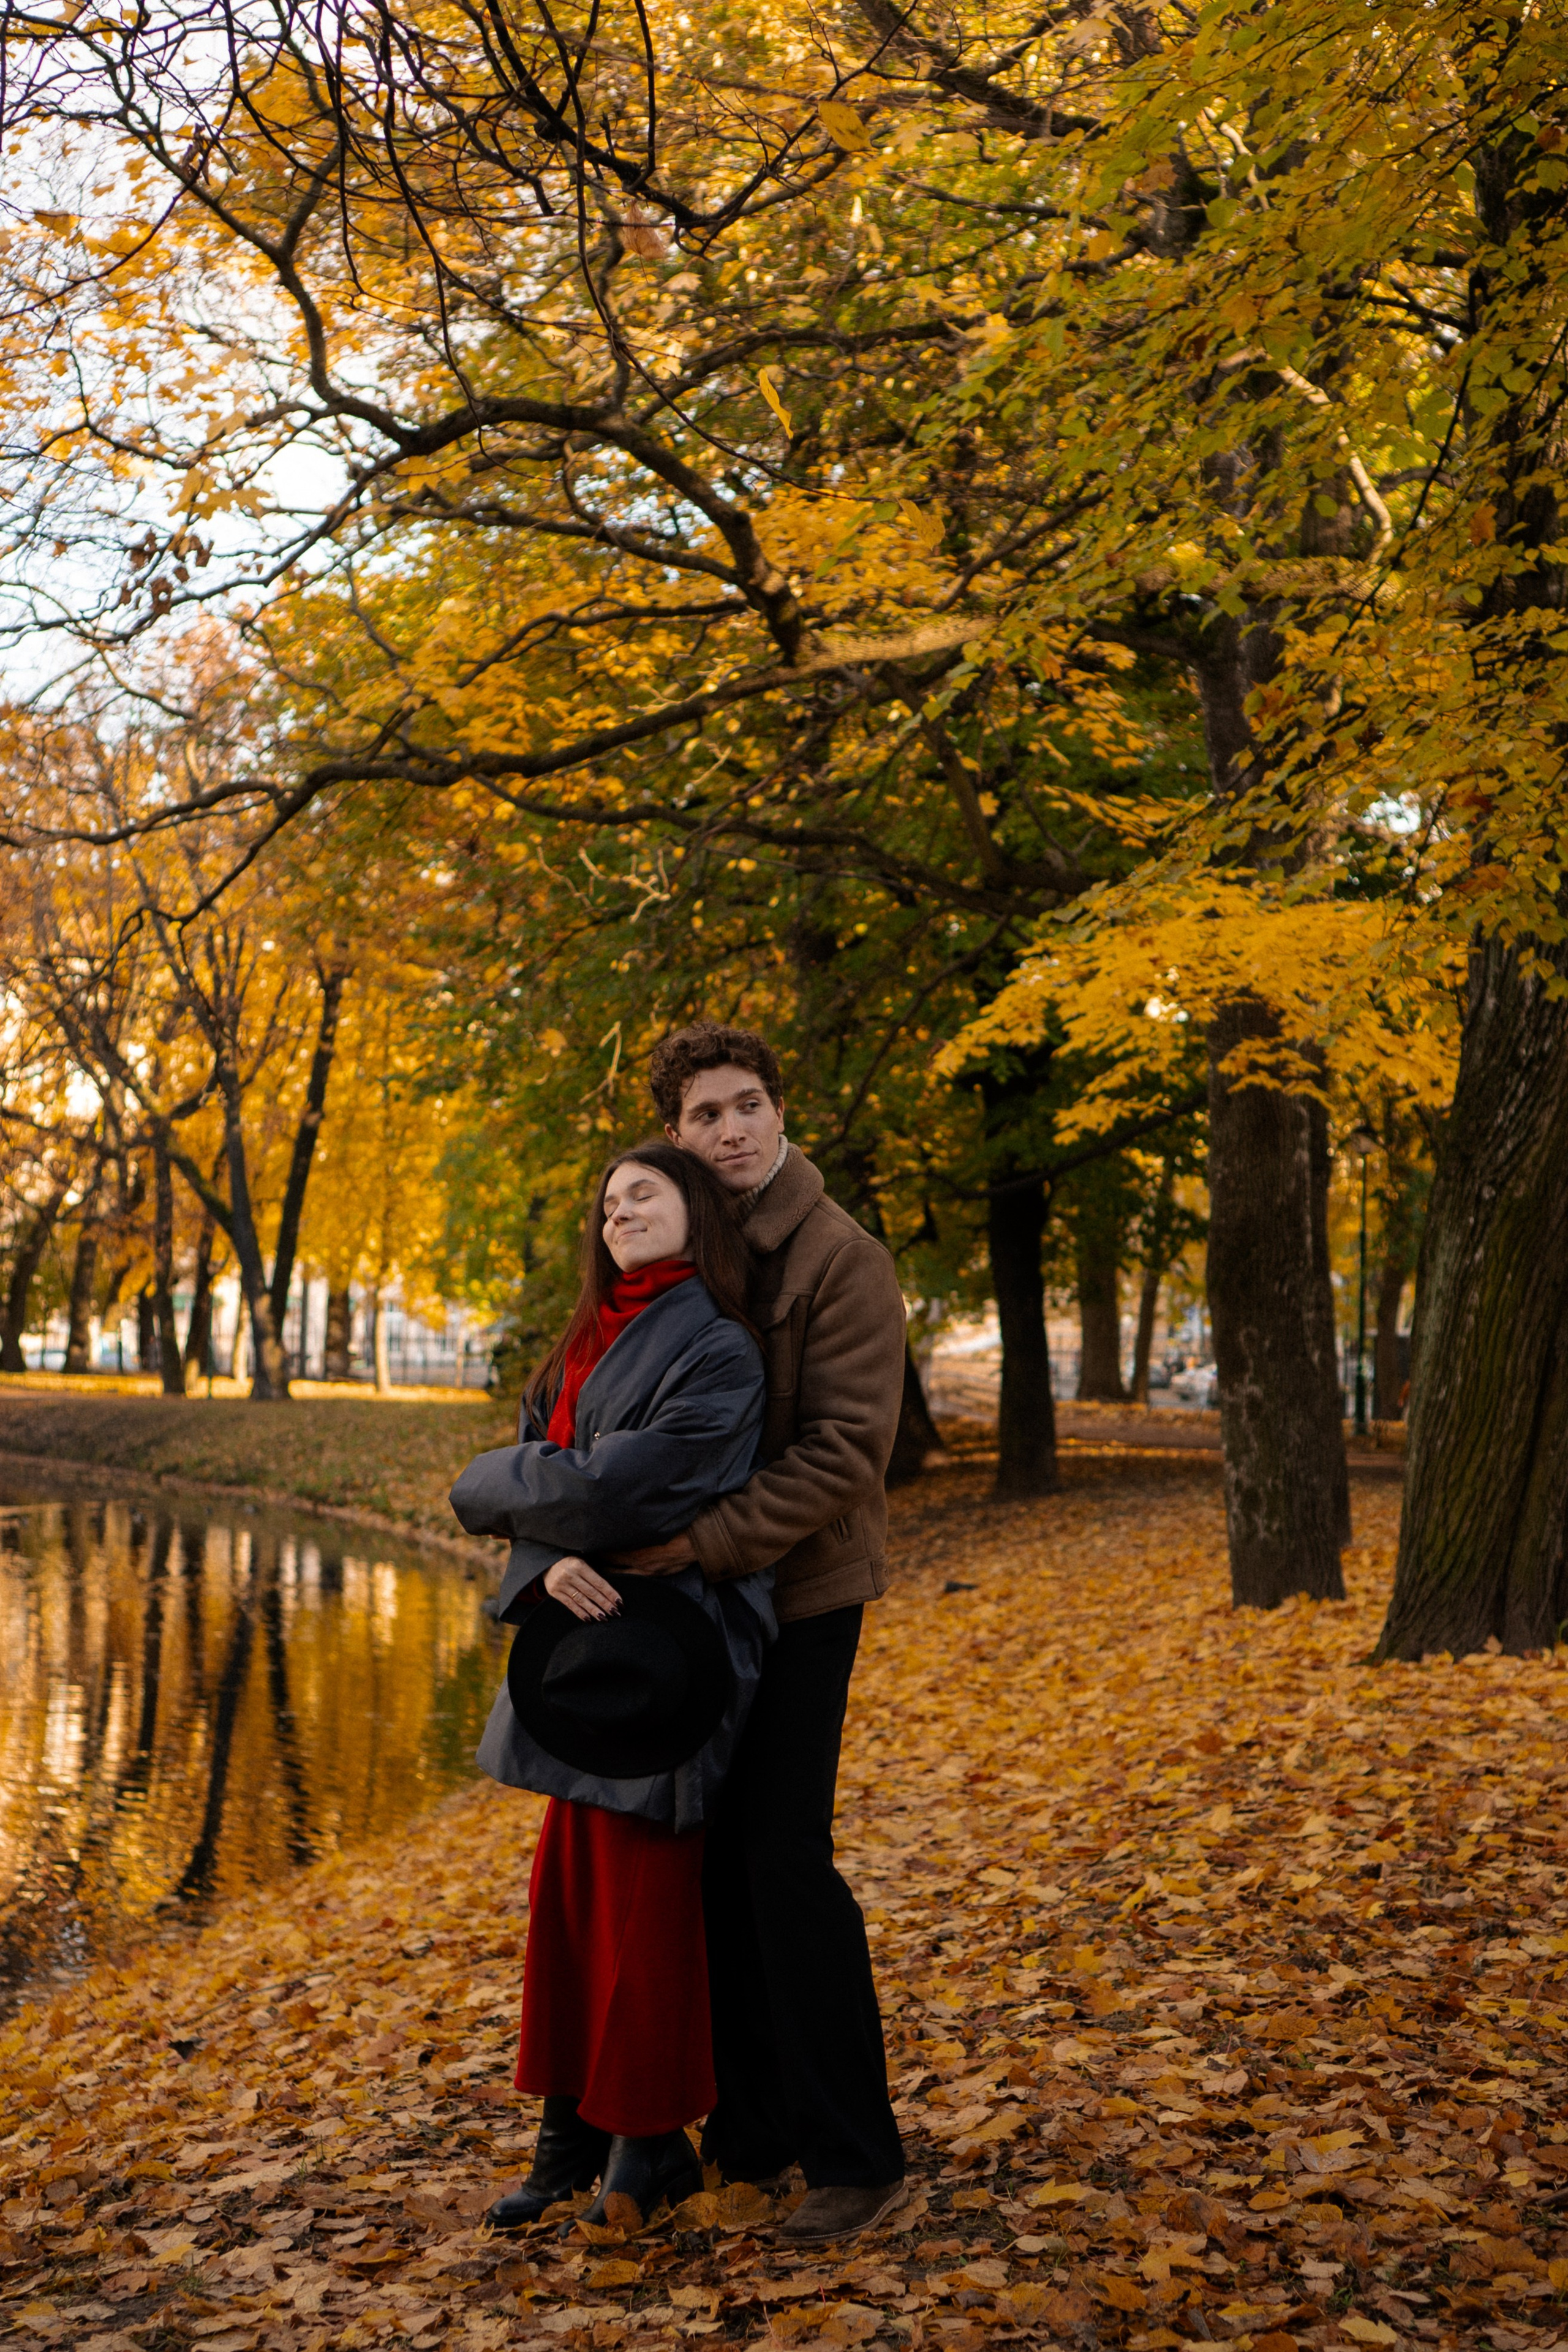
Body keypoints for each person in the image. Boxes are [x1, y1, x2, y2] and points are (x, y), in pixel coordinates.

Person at [611, 1023, 909, 2248]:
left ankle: (858, 2155)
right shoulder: (692, 1244)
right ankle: (752, 2132)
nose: (729, 1130)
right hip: (701, 1611)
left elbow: (845, 1454)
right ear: (674, 1133)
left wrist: (698, 1542)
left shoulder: (839, 1257)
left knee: (784, 1862)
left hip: (802, 1595)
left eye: (747, 1106)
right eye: (704, 1115)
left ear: (780, 1111)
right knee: (717, 1870)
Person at [450, 1142, 773, 2231]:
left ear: (696, 1212)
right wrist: (544, 1560)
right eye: (608, 1203)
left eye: (644, 1194)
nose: (619, 1212)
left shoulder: (720, 1347)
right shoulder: (587, 1336)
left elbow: (617, 1492)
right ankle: (568, 2138)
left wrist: (508, 1493)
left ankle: (647, 2141)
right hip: (584, 1642)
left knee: (643, 1904)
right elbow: (546, 1488)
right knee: (570, 1901)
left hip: (668, 1656)